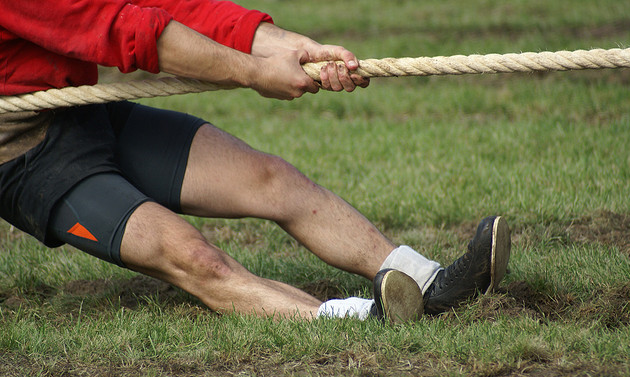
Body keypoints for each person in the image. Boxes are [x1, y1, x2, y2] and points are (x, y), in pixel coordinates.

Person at [0, 0, 510, 323]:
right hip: (21, 152)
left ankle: (428, 284)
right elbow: (123, 29)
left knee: (273, 178)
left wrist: (287, 45)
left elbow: (165, 8)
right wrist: (253, 71)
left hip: (78, 110)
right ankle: (360, 320)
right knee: (194, 258)